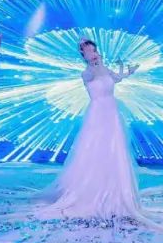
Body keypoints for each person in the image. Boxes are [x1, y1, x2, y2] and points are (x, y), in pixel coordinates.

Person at [39, 38, 142, 220]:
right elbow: (91, 76)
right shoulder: (86, 73)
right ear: (83, 55)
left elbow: (116, 79)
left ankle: (117, 191)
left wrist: (126, 70)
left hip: (112, 114)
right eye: (88, 51)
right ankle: (91, 191)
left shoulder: (104, 69)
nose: (93, 53)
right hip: (97, 115)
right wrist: (94, 64)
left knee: (115, 150)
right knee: (95, 150)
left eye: (94, 50)